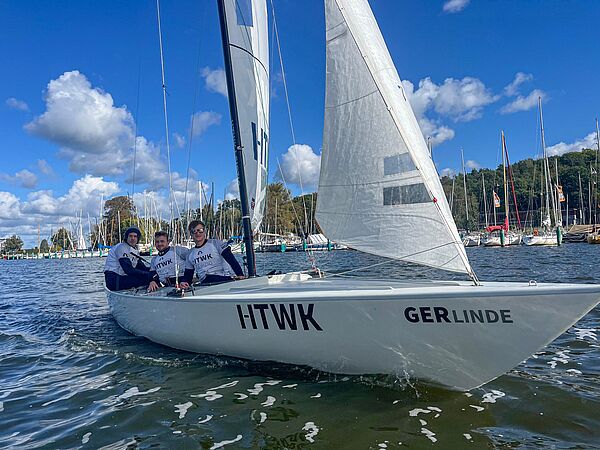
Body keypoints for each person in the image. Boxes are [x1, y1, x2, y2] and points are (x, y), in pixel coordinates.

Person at [180, 220, 245, 288]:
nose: (198, 233)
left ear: (204, 231)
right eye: (194, 231)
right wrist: (184, 282)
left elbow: (231, 259)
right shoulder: (190, 254)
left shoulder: (216, 244)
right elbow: (188, 273)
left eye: (200, 230)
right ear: (191, 234)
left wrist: (240, 274)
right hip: (205, 284)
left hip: (223, 280)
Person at [104, 227, 155, 291]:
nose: (132, 238)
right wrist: (149, 276)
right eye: (130, 236)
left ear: (138, 238)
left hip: (122, 277)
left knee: (152, 277)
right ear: (126, 237)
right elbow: (128, 270)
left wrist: (154, 271)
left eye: (135, 236)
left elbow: (142, 267)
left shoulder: (134, 250)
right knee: (147, 279)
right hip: (114, 279)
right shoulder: (121, 248)